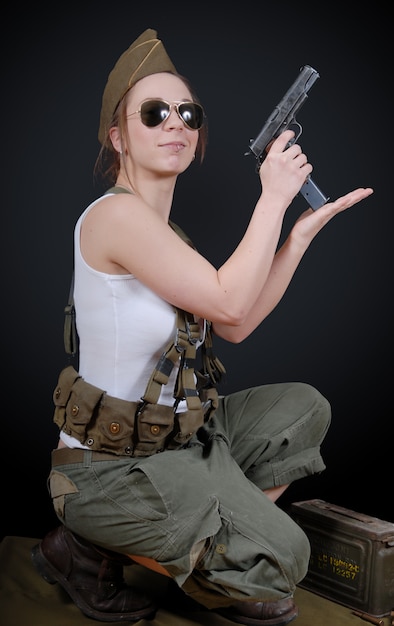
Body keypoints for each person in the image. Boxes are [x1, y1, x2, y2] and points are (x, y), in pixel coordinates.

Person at [31, 28, 373, 626]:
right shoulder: (115, 216)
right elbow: (231, 304)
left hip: (175, 446)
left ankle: (216, 543)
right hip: (109, 473)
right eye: (155, 113)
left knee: (301, 408)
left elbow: (232, 325)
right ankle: (93, 548)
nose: (177, 125)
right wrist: (271, 198)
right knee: (284, 558)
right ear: (119, 137)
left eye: (188, 114)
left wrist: (295, 236)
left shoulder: (168, 239)